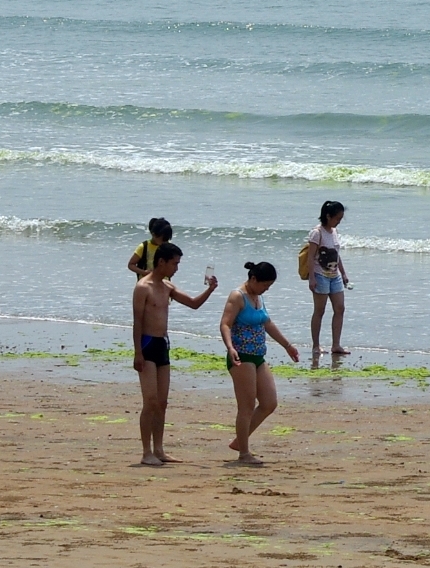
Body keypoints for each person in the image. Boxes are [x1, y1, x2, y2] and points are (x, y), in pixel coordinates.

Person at [129, 242, 217, 467]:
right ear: (162, 262)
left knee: (162, 402)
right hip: (147, 344)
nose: (177, 268)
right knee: (149, 401)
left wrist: (210, 289)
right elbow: (137, 321)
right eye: (174, 263)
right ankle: (146, 451)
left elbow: (193, 304)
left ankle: (159, 449)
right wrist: (138, 352)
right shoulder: (143, 287)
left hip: (163, 345)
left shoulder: (168, 287)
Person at [217, 260, 301, 466]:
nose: (266, 289)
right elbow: (225, 324)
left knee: (269, 403)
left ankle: (240, 440)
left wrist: (287, 345)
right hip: (241, 356)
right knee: (246, 406)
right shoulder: (238, 296)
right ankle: (244, 453)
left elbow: (267, 323)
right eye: (265, 285)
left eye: (269, 286)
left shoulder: (258, 297)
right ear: (253, 279)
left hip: (258, 355)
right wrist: (230, 347)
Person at [302, 199, 351, 363]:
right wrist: (312, 278)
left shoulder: (334, 231)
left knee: (340, 308)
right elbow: (310, 257)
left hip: (334, 275)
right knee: (320, 310)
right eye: (337, 218)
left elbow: (336, 254)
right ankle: (316, 345)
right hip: (320, 275)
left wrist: (343, 273)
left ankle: (336, 345)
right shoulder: (317, 233)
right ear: (328, 216)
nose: (339, 222)